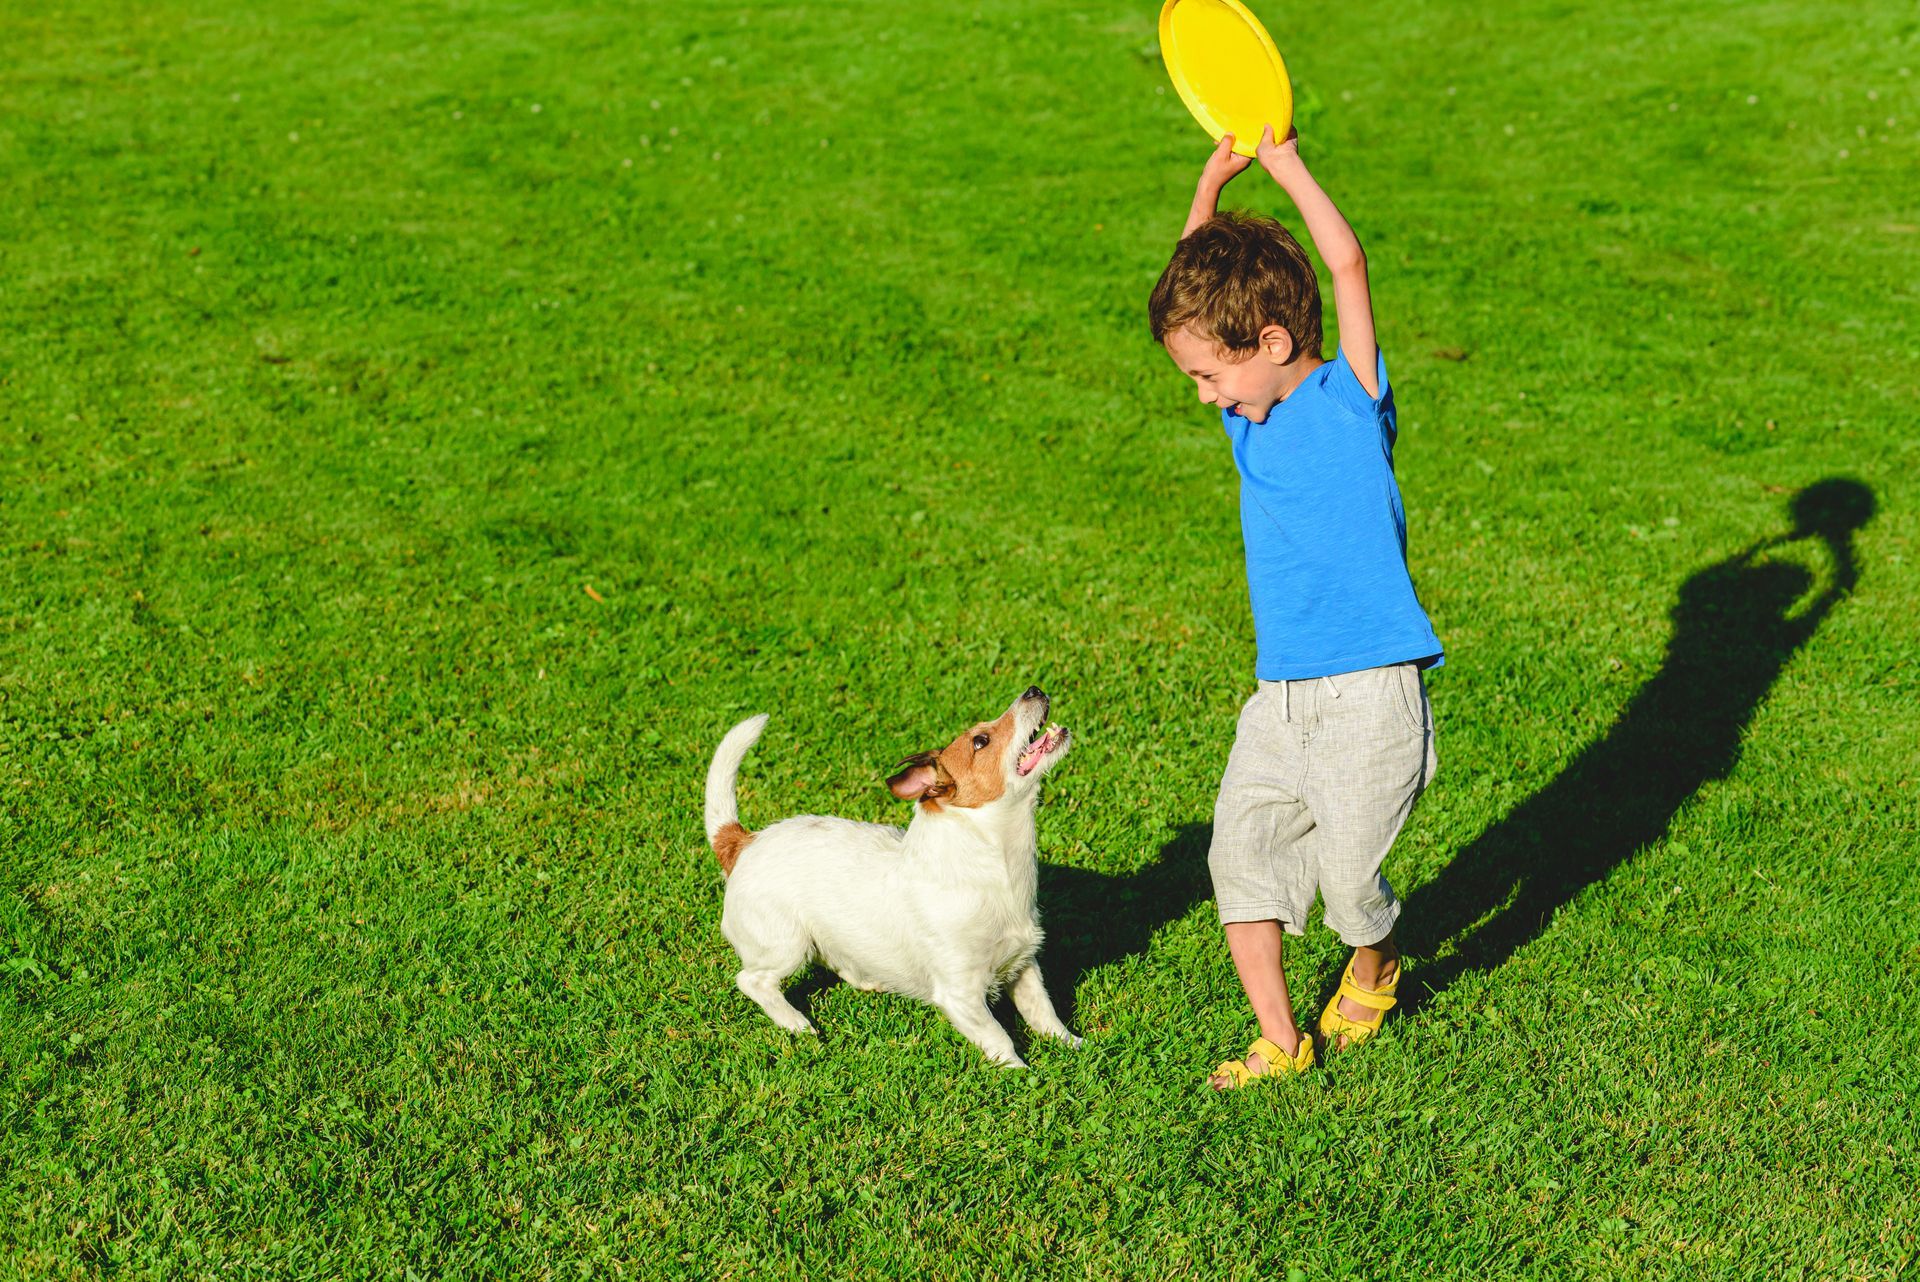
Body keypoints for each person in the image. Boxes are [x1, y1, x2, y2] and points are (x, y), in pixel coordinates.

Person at [1148, 126, 1443, 1087]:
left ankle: (1375, 965)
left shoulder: (1352, 399)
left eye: (1210, 375)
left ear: (1274, 343)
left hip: (1371, 692)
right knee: (1241, 858)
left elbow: (1346, 262)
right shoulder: (1251, 423)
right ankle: (1278, 1036)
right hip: (1278, 699)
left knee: (1351, 878)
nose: (1205, 398)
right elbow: (1200, 297)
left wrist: (1282, 166)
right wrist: (1207, 185)